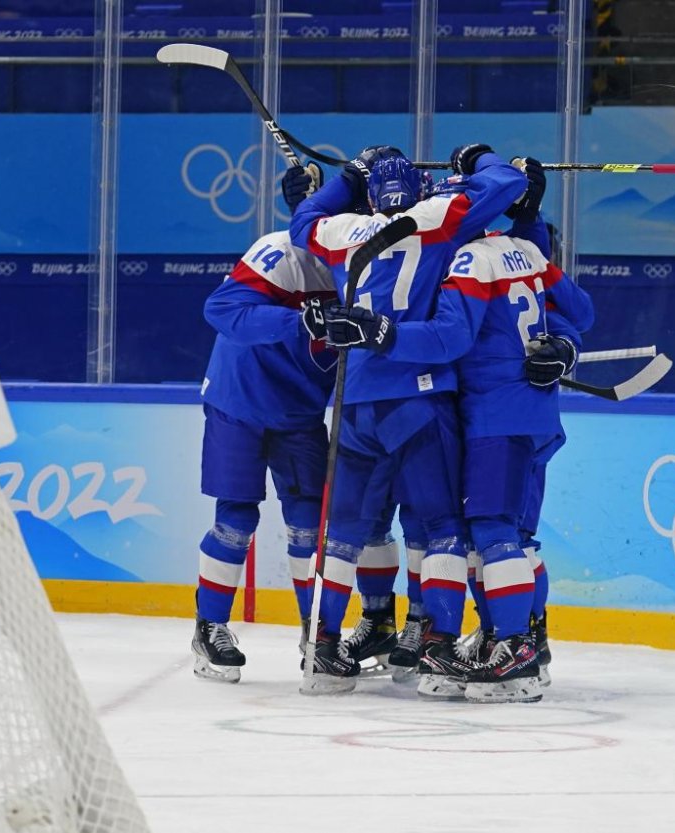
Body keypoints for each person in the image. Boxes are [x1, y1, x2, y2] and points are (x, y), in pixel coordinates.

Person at [323, 157, 593, 702]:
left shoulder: (469, 259)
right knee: (516, 539)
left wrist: (382, 333)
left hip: (494, 418)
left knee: (491, 534)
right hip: (536, 416)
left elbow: (449, 339)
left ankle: (512, 647)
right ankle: (525, 643)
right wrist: (565, 347)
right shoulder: (529, 251)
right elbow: (578, 313)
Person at [290, 143, 527, 696]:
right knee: (441, 527)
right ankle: (437, 648)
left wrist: (346, 176)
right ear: (421, 190)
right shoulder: (438, 215)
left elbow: (303, 218)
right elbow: (506, 187)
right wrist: (475, 160)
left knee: (343, 532)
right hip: (418, 396)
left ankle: (323, 646)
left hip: (354, 401)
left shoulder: (340, 230)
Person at [189, 162, 341, 683]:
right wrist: (301, 320)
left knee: (308, 524)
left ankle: (315, 632)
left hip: (299, 411)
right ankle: (209, 629)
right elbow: (223, 309)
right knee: (235, 520)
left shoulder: (362, 262)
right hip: (241, 401)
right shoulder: (278, 249)